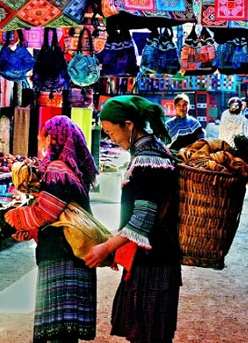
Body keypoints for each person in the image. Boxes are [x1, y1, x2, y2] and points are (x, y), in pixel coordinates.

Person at [85, 96, 181, 343]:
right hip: (155, 260)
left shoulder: (148, 160)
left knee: (148, 336)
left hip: (154, 263)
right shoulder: (155, 151)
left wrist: (106, 247)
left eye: (111, 132)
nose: (111, 139)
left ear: (129, 125)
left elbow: (142, 219)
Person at [4, 116, 98, 343]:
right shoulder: (72, 171)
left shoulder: (58, 170)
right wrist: (31, 230)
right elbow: (55, 216)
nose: (41, 142)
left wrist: (9, 218)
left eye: (44, 136)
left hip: (62, 260)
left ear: (53, 138)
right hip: (72, 257)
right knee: (65, 334)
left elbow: (44, 213)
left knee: (58, 334)